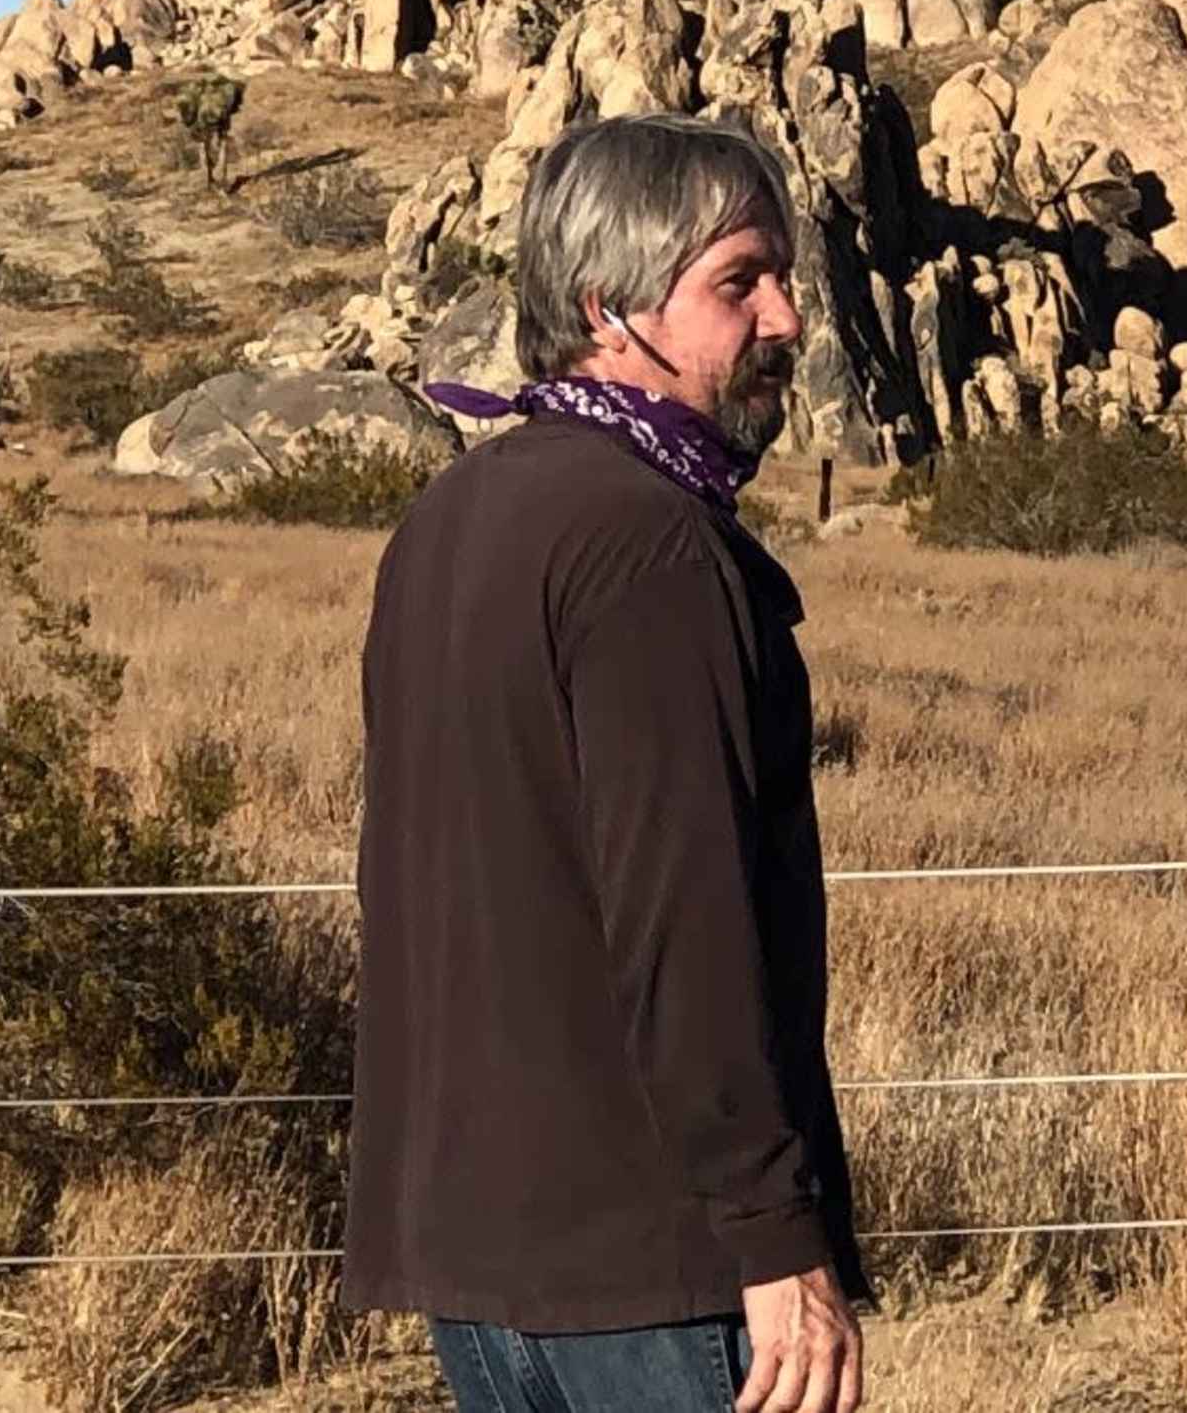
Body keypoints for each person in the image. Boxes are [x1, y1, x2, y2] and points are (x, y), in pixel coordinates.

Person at [346, 112, 870, 1413]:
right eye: (739, 281)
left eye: (782, 278)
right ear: (609, 307)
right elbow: (685, 927)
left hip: (478, 1264)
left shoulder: (450, 518)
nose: (788, 320)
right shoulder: (654, 550)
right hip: (655, 1269)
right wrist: (774, 1234)